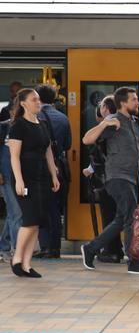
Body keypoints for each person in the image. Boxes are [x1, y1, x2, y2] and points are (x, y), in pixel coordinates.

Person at [81, 87, 139, 275]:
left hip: (131, 177)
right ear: (123, 103)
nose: (138, 103)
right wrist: (104, 124)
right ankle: (134, 262)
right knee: (131, 217)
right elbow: (86, 140)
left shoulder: (135, 123)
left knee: (122, 218)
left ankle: (90, 248)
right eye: (134, 99)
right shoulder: (113, 121)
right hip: (117, 177)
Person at [8, 88, 60, 278]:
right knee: (29, 219)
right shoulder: (18, 126)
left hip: (42, 177)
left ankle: (27, 264)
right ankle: (17, 259)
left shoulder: (43, 123)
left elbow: (48, 152)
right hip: (26, 177)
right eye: (34, 100)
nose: (38, 102)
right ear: (23, 103)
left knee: (37, 221)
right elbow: (14, 156)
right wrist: (19, 180)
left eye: (39, 100)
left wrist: (54, 175)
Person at [82, 95, 123, 263]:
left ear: (106, 108)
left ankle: (110, 250)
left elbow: (99, 154)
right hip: (122, 177)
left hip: (107, 178)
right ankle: (117, 249)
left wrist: (90, 169)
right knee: (119, 215)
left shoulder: (106, 127)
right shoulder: (123, 123)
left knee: (110, 216)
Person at [33, 84, 71, 259]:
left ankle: (45, 246)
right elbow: (68, 145)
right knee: (55, 209)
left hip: (39, 168)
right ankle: (55, 247)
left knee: (40, 207)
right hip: (58, 167)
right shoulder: (63, 118)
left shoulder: (35, 116)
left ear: (38, 98)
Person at [0, 103, 22, 262]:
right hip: (6, 176)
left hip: (21, 176)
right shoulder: (3, 128)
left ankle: (5, 246)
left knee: (14, 213)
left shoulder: (26, 127)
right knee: (16, 212)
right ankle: (16, 249)